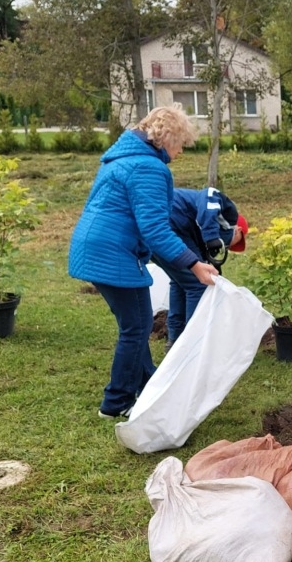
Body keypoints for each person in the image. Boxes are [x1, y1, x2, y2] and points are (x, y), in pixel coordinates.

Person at [68, 105, 220, 420]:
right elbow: (155, 229)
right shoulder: (149, 168)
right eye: (181, 144)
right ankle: (117, 402)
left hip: (94, 246)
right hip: (112, 252)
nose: (180, 152)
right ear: (168, 138)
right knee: (137, 328)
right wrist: (194, 264)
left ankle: (149, 386)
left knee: (135, 325)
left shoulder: (120, 158)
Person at [152, 187, 248, 347]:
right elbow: (209, 193)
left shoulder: (198, 231)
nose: (229, 248)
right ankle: (194, 345)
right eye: (235, 243)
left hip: (153, 227)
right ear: (237, 231)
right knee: (197, 283)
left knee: (181, 282)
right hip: (170, 222)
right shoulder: (228, 216)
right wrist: (212, 237)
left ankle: (176, 340)